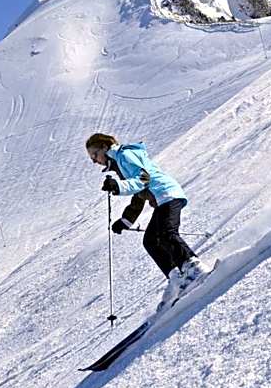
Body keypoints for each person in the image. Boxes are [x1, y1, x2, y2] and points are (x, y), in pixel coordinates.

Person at [86, 133, 210, 310]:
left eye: (94, 155)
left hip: (167, 194)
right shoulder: (120, 163)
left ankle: (196, 270)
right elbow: (139, 195)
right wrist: (126, 220)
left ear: (105, 148)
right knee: (151, 241)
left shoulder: (124, 155)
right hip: (161, 199)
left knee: (167, 233)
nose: (94, 160)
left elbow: (144, 179)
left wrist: (119, 186)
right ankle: (178, 279)